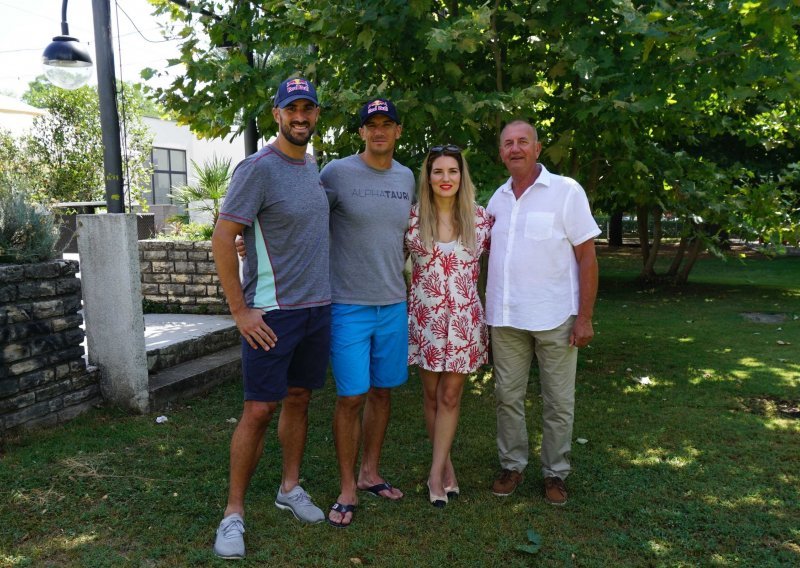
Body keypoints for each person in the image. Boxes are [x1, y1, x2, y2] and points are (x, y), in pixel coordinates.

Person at [210, 77, 330, 560]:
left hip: (317, 309)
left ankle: (289, 488)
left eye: (308, 109)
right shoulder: (257, 168)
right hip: (271, 312)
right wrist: (240, 310)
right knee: (259, 410)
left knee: (299, 399)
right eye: (291, 109)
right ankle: (233, 513)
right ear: (277, 114)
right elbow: (223, 239)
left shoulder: (313, 167)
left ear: (316, 115)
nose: (300, 117)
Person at [486, 119, 600, 506]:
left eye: (522, 142)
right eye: (507, 143)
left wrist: (584, 317)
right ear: (500, 152)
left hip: (557, 318)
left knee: (558, 401)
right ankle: (513, 464)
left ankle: (555, 472)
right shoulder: (497, 200)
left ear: (537, 148)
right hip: (505, 318)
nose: (515, 148)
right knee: (507, 397)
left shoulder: (566, 192)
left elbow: (587, 257)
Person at [323, 99, 415, 528]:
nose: (379, 131)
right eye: (371, 125)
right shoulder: (336, 173)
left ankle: (369, 472)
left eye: (387, 124)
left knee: (382, 392)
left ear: (398, 131)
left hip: (394, 302)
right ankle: (345, 486)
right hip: (348, 304)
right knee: (350, 396)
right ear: (360, 132)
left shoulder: (407, 177)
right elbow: (304, 220)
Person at [406, 145, 492, 507]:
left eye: (452, 171)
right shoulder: (411, 219)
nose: (445, 179)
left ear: (462, 175)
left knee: (450, 396)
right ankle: (447, 469)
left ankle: (433, 475)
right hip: (426, 321)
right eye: (437, 171)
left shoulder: (482, 219)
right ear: (428, 177)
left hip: (464, 322)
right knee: (431, 396)